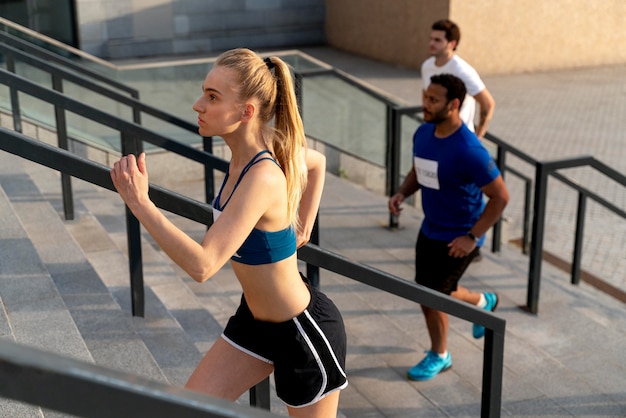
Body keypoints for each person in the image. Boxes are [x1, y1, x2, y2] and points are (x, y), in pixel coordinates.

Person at [111, 48, 347, 417]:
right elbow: (317, 163)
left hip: (301, 334)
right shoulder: (250, 156)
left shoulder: (264, 174)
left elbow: (204, 266)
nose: (197, 105)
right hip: (253, 323)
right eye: (204, 92)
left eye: (212, 97)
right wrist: (302, 225)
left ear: (246, 111)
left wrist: (141, 203)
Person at [388, 73, 509, 381]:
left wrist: (472, 237)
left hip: (459, 236)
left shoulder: (470, 150)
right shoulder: (423, 133)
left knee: (432, 297)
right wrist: (403, 192)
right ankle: (484, 302)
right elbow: (420, 169)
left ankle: (440, 355)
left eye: (433, 99)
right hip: (430, 227)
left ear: (454, 105)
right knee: (433, 291)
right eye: (425, 96)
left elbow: (500, 197)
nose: (425, 104)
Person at [421, 19, 495, 139]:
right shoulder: (426, 66)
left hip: (459, 138)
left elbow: (487, 103)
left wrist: (478, 137)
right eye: (431, 39)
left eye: (438, 40)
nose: (432, 43)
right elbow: (426, 95)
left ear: (452, 44)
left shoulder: (463, 71)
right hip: (434, 134)